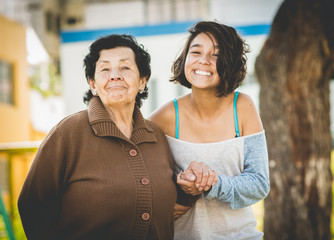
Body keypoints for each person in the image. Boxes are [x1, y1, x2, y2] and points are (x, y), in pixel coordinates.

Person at [18, 34, 197, 240]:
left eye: (125, 67)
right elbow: (33, 206)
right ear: (92, 84)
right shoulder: (68, 132)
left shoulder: (155, 134)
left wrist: (190, 189)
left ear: (142, 81)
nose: (115, 75)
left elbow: (167, 205)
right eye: (105, 69)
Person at [150, 21, 270, 239]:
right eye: (195, 52)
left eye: (216, 55)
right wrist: (180, 191)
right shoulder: (166, 116)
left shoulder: (243, 107)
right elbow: (141, 177)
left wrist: (212, 184)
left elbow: (259, 184)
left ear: (230, 62)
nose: (203, 61)